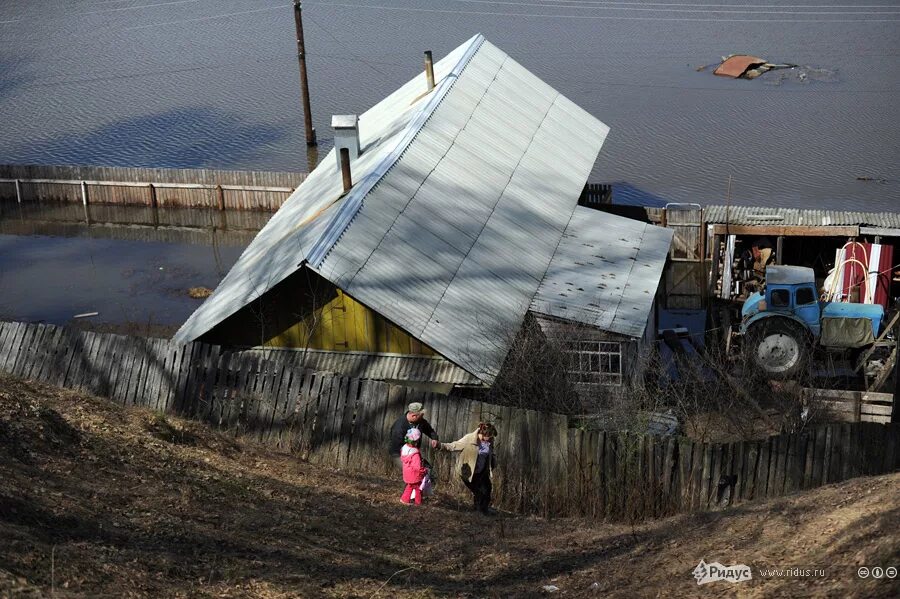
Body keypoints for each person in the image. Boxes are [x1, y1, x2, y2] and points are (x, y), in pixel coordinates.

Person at [437, 422, 498, 515]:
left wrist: (493, 461)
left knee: (488, 489)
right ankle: (478, 512)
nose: (490, 440)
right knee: (479, 492)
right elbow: (454, 445)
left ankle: (484, 509)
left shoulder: (490, 441)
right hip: (469, 472)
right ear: (482, 434)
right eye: (488, 438)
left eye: (491, 438)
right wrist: (440, 445)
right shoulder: (469, 439)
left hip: (482, 471)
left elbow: (490, 453)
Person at [389, 402, 439, 469]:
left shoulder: (420, 421)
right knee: (416, 472)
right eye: (421, 415)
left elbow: (429, 430)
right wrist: (410, 460)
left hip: (414, 453)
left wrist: (434, 438)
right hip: (400, 455)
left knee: (429, 470)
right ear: (414, 416)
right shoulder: (399, 427)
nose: (422, 417)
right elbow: (396, 447)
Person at [400, 428, 427, 505]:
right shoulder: (415, 453)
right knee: (418, 488)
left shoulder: (404, 448)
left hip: (407, 473)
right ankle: (418, 503)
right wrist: (423, 470)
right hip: (414, 475)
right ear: (416, 441)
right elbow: (417, 467)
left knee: (410, 486)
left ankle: (404, 499)